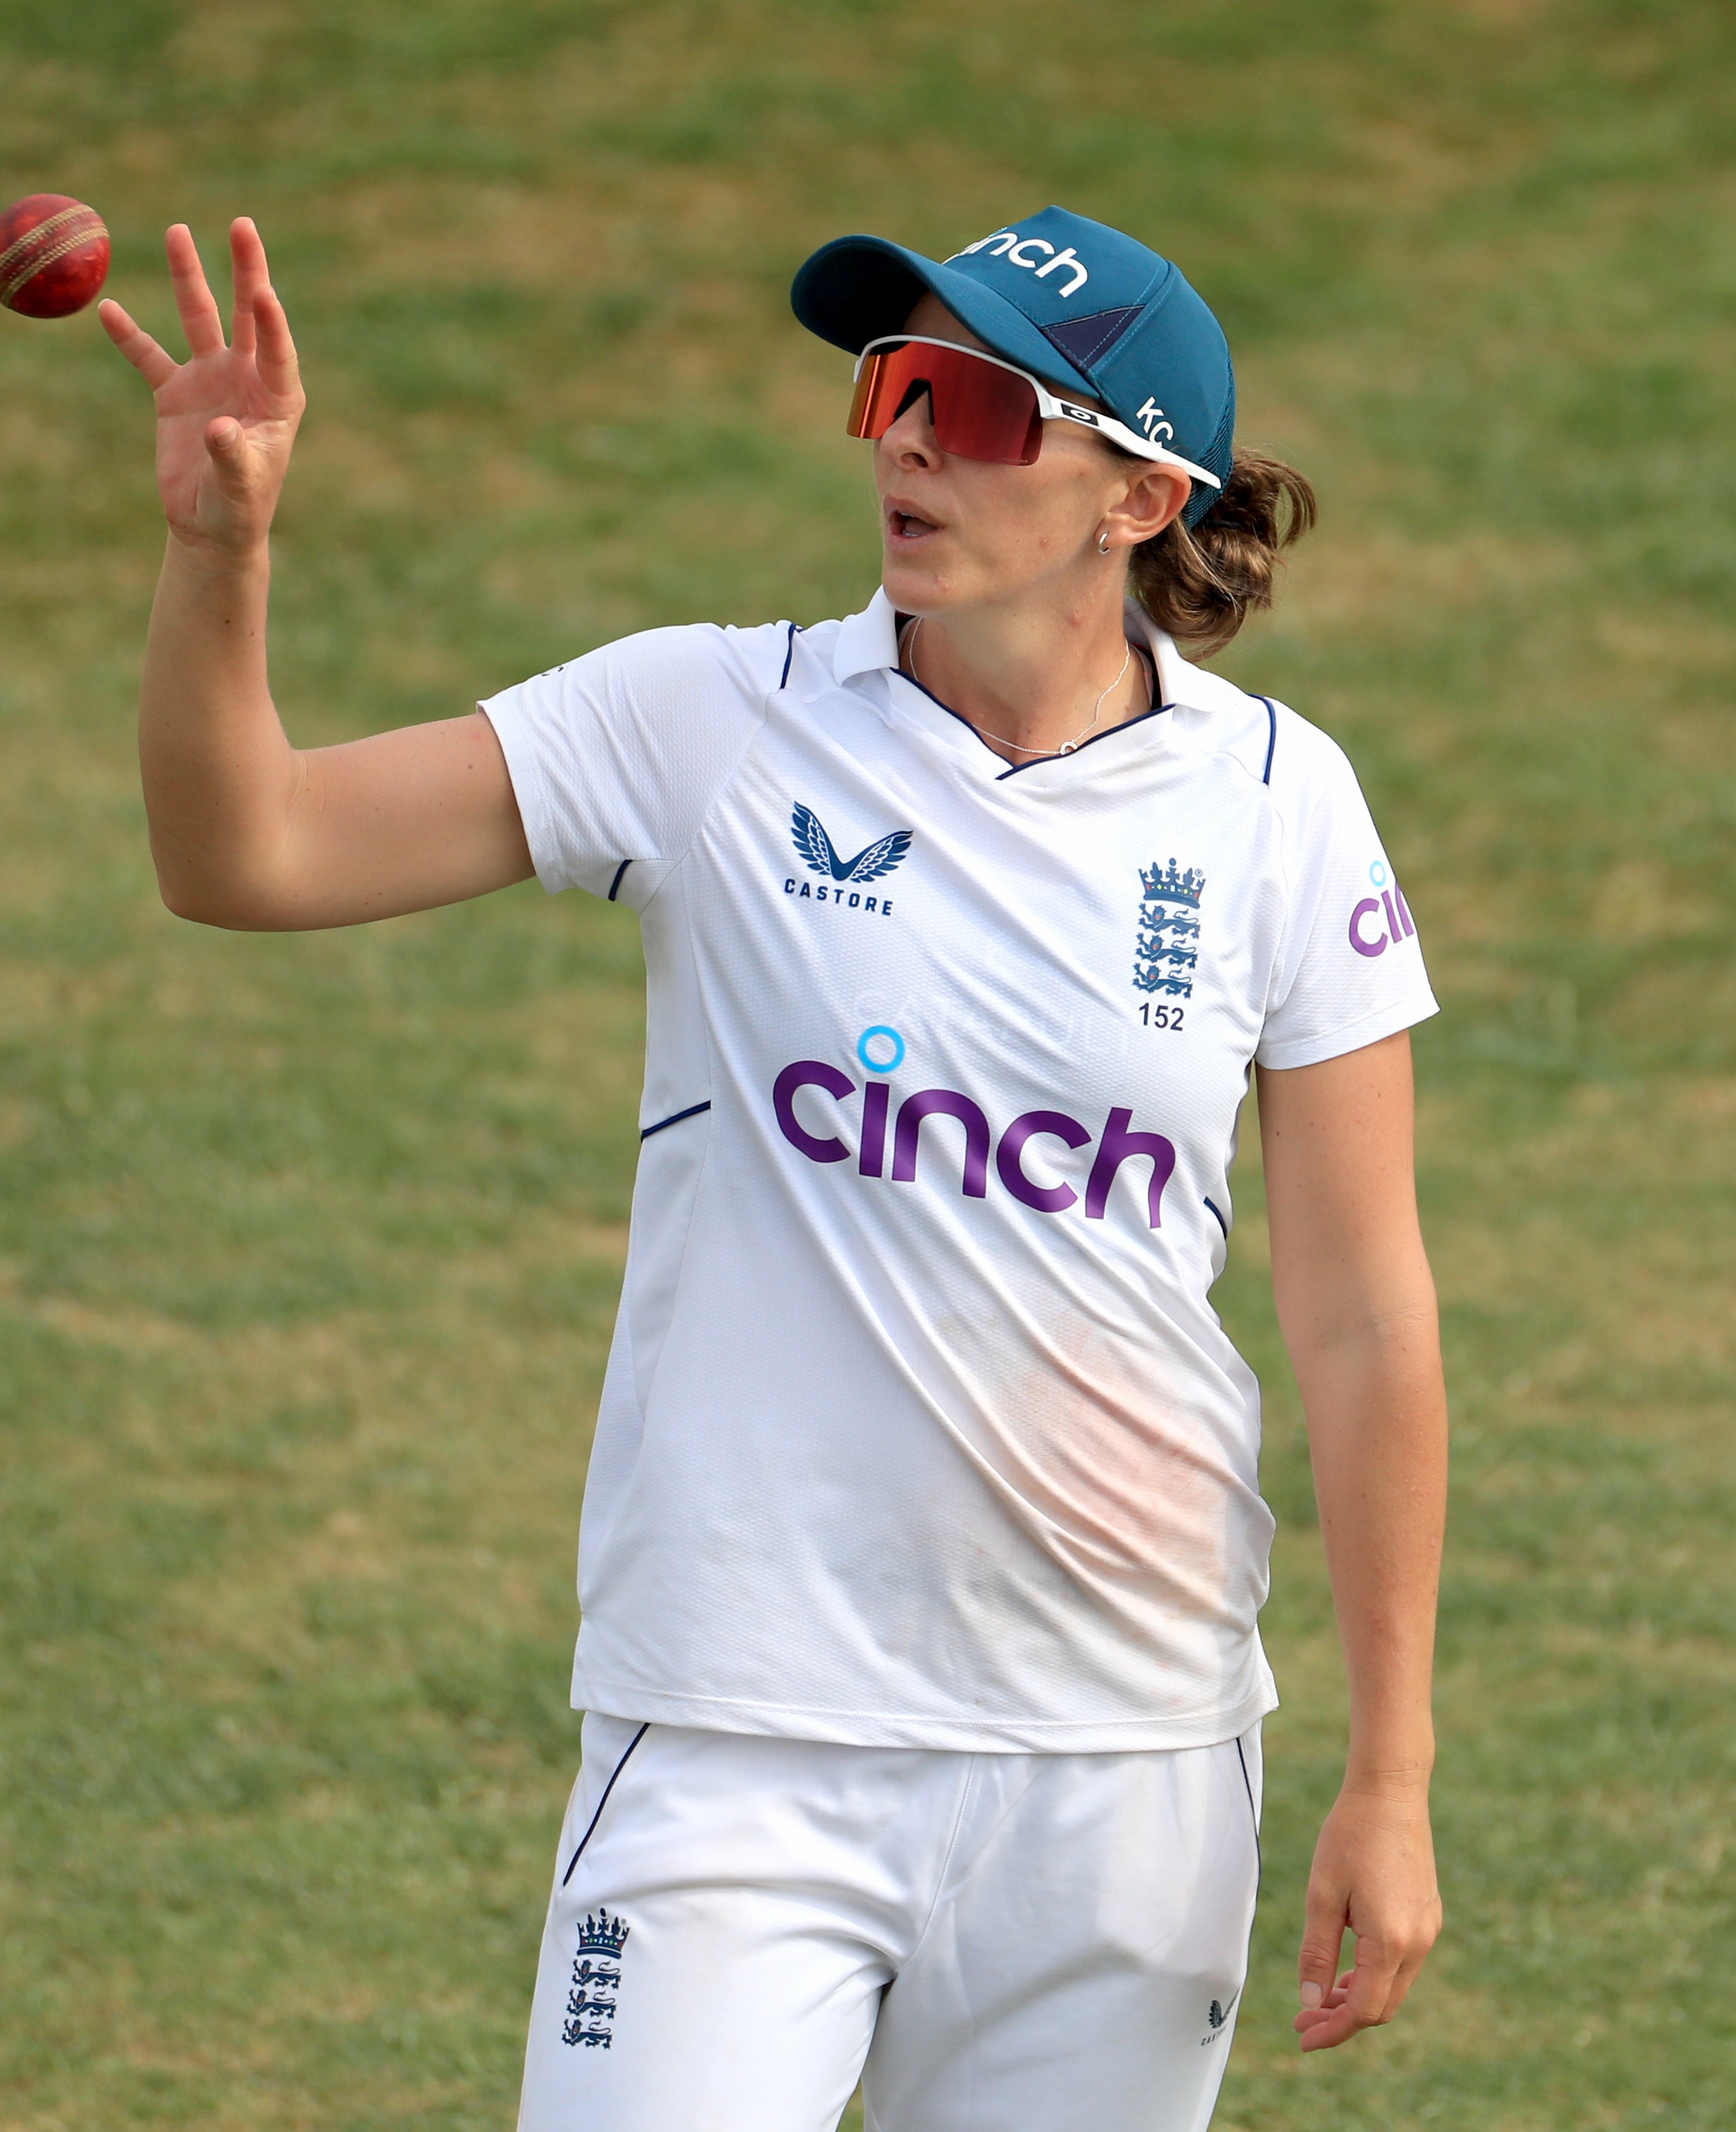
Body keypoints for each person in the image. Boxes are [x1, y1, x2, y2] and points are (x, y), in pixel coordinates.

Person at [102, 203, 1449, 2132]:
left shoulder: (1277, 805)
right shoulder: (702, 722)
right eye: (891, 387)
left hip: (1127, 1766)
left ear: (1135, 497)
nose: (903, 439)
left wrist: (1386, 1774)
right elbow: (251, 856)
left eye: (978, 410)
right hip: (736, 1739)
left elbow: (1361, 1310)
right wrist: (217, 556)